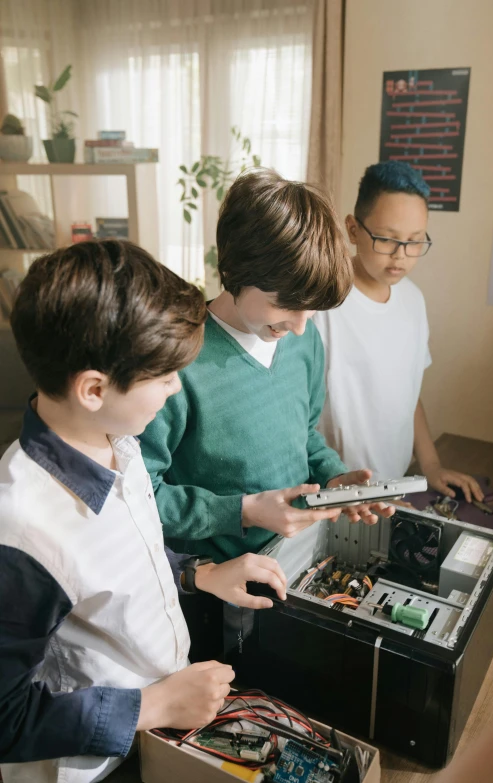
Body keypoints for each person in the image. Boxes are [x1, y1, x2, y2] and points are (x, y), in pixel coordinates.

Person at [0, 240, 288, 783]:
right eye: (163, 378)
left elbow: (128, 554)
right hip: (97, 766)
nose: (176, 387)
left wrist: (199, 573)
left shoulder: (115, 435)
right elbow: (5, 718)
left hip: (158, 721)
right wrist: (153, 706)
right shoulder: (21, 531)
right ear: (93, 388)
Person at [140, 168, 395, 566]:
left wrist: (333, 477)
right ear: (238, 270)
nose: (298, 325)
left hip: (297, 561)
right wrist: (242, 510)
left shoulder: (303, 338)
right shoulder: (177, 363)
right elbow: (139, 495)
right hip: (216, 584)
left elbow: (303, 434)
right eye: (287, 305)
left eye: (310, 308)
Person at [315, 161, 483, 503]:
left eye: (415, 242)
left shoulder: (412, 300)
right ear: (352, 229)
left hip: (395, 488)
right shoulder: (320, 303)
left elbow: (409, 393)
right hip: (333, 492)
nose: (401, 256)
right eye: (388, 239)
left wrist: (431, 465)